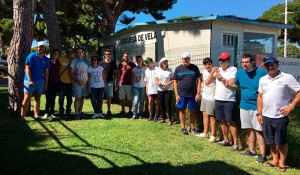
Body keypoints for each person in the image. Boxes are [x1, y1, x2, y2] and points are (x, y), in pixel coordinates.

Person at [257, 56, 300, 172]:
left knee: (281, 141)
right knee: (270, 140)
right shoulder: (263, 79)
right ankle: (275, 160)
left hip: (280, 116)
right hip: (266, 116)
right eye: (267, 65)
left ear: (277, 64)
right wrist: (259, 114)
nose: (270, 67)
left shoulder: (287, 77)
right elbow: (260, 97)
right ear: (265, 67)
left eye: (272, 64)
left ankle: (282, 163)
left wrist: (291, 106)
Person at [231, 54, 268, 163]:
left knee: (259, 130)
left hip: (257, 107)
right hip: (244, 105)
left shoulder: (261, 72)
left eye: (246, 62)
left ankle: (263, 154)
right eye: (242, 62)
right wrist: (226, 84)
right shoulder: (240, 73)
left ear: (252, 62)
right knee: (249, 128)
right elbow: (235, 86)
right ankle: (252, 151)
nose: (244, 64)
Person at [207, 52, 239, 151]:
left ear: (228, 61)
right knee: (222, 121)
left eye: (223, 60)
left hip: (229, 99)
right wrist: (212, 72)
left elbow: (231, 83)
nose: (221, 62)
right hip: (218, 99)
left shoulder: (233, 69)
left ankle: (236, 144)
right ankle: (226, 140)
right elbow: (208, 82)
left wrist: (220, 76)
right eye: (220, 60)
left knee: (231, 122)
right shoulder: (218, 70)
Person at [19, 41, 50, 122]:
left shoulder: (46, 59)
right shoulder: (31, 56)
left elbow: (46, 72)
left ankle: (36, 116)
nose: (41, 48)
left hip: (40, 81)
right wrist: (29, 80)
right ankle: (22, 117)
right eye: (40, 47)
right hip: (29, 81)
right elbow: (27, 68)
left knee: (38, 98)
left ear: (45, 48)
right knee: (26, 98)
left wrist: (46, 84)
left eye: (43, 47)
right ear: (37, 48)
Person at [173, 52, 201, 135]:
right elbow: (175, 82)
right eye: (185, 59)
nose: (186, 60)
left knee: (193, 111)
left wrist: (198, 93)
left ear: (190, 59)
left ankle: (192, 128)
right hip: (181, 94)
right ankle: (183, 127)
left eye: (188, 58)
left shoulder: (194, 68)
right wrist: (176, 95)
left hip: (193, 94)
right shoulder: (178, 69)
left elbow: (199, 81)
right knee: (182, 110)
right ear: (182, 59)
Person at [199, 57, 217, 142]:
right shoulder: (204, 72)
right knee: (205, 115)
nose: (207, 66)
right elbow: (204, 81)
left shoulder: (215, 72)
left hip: (212, 97)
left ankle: (213, 135)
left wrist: (213, 73)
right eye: (205, 64)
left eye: (209, 64)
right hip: (205, 96)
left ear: (212, 63)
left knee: (212, 117)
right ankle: (205, 133)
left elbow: (207, 82)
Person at [69, 47, 89, 120]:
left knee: (82, 97)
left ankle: (80, 111)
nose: (79, 54)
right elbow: (71, 73)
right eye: (77, 52)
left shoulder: (86, 62)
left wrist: (86, 82)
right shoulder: (74, 61)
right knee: (77, 98)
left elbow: (87, 72)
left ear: (83, 53)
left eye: (80, 52)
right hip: (77, 83)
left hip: (84, 83)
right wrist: (78, 81)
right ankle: (76, 113)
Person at [99, 49, 118, 116]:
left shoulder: (113, 63)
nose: (108, 55)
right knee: (101, 97)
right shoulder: (101, 63)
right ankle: (100, 110)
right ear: (104, 55)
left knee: (109, 97)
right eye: (107, 54)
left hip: (110, 82)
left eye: (109, 54)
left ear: (111, 55)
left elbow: (116, 73)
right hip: (101, 83)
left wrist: (113, 80)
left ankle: (109, 110)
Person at [155, 57, 174, 125]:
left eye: (166, 62)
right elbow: (156, 80)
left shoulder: (170, 70)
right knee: (161, 104)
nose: (165, 63)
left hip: (168, 90)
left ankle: (170, 120)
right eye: (164, 62)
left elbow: (173, 79)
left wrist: (168, 83)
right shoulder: (158, 70)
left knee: (168, 105)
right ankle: (163, 118)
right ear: (161, 63)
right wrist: (158, 84)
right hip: (160, 90)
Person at [43, 49, 61, 120]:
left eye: (57, 54)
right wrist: (46, 84)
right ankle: (46, 112)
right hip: (49, 81)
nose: (56, 55)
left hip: (56, 82)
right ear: (52, 54)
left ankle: (52, 112)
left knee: (53, 98)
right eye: (55, 53)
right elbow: (46, 72)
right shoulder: (48, 62)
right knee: (48, 98)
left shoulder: (58, 63)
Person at [58, 47, 74, 119]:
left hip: (70, 83)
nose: (69, 53)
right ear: (65, 52)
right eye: (68, 52)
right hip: (62, 82)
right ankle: (61, 111)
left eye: (71, 52)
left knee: (69, 99)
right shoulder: (61, 58)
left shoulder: (74, 60)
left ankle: (68, 112)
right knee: (61, 98)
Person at [144, 57, 159, 121]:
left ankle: (156, 115)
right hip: (150, 89)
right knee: (150, 102)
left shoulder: (157, 69)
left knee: (156, 103)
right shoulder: (146, 71)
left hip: (157, 89)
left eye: (148, 62)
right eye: (146, 63)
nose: (146, 64)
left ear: (151, 63)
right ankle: (151, 115)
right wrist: (146, 90)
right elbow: (146, 81)